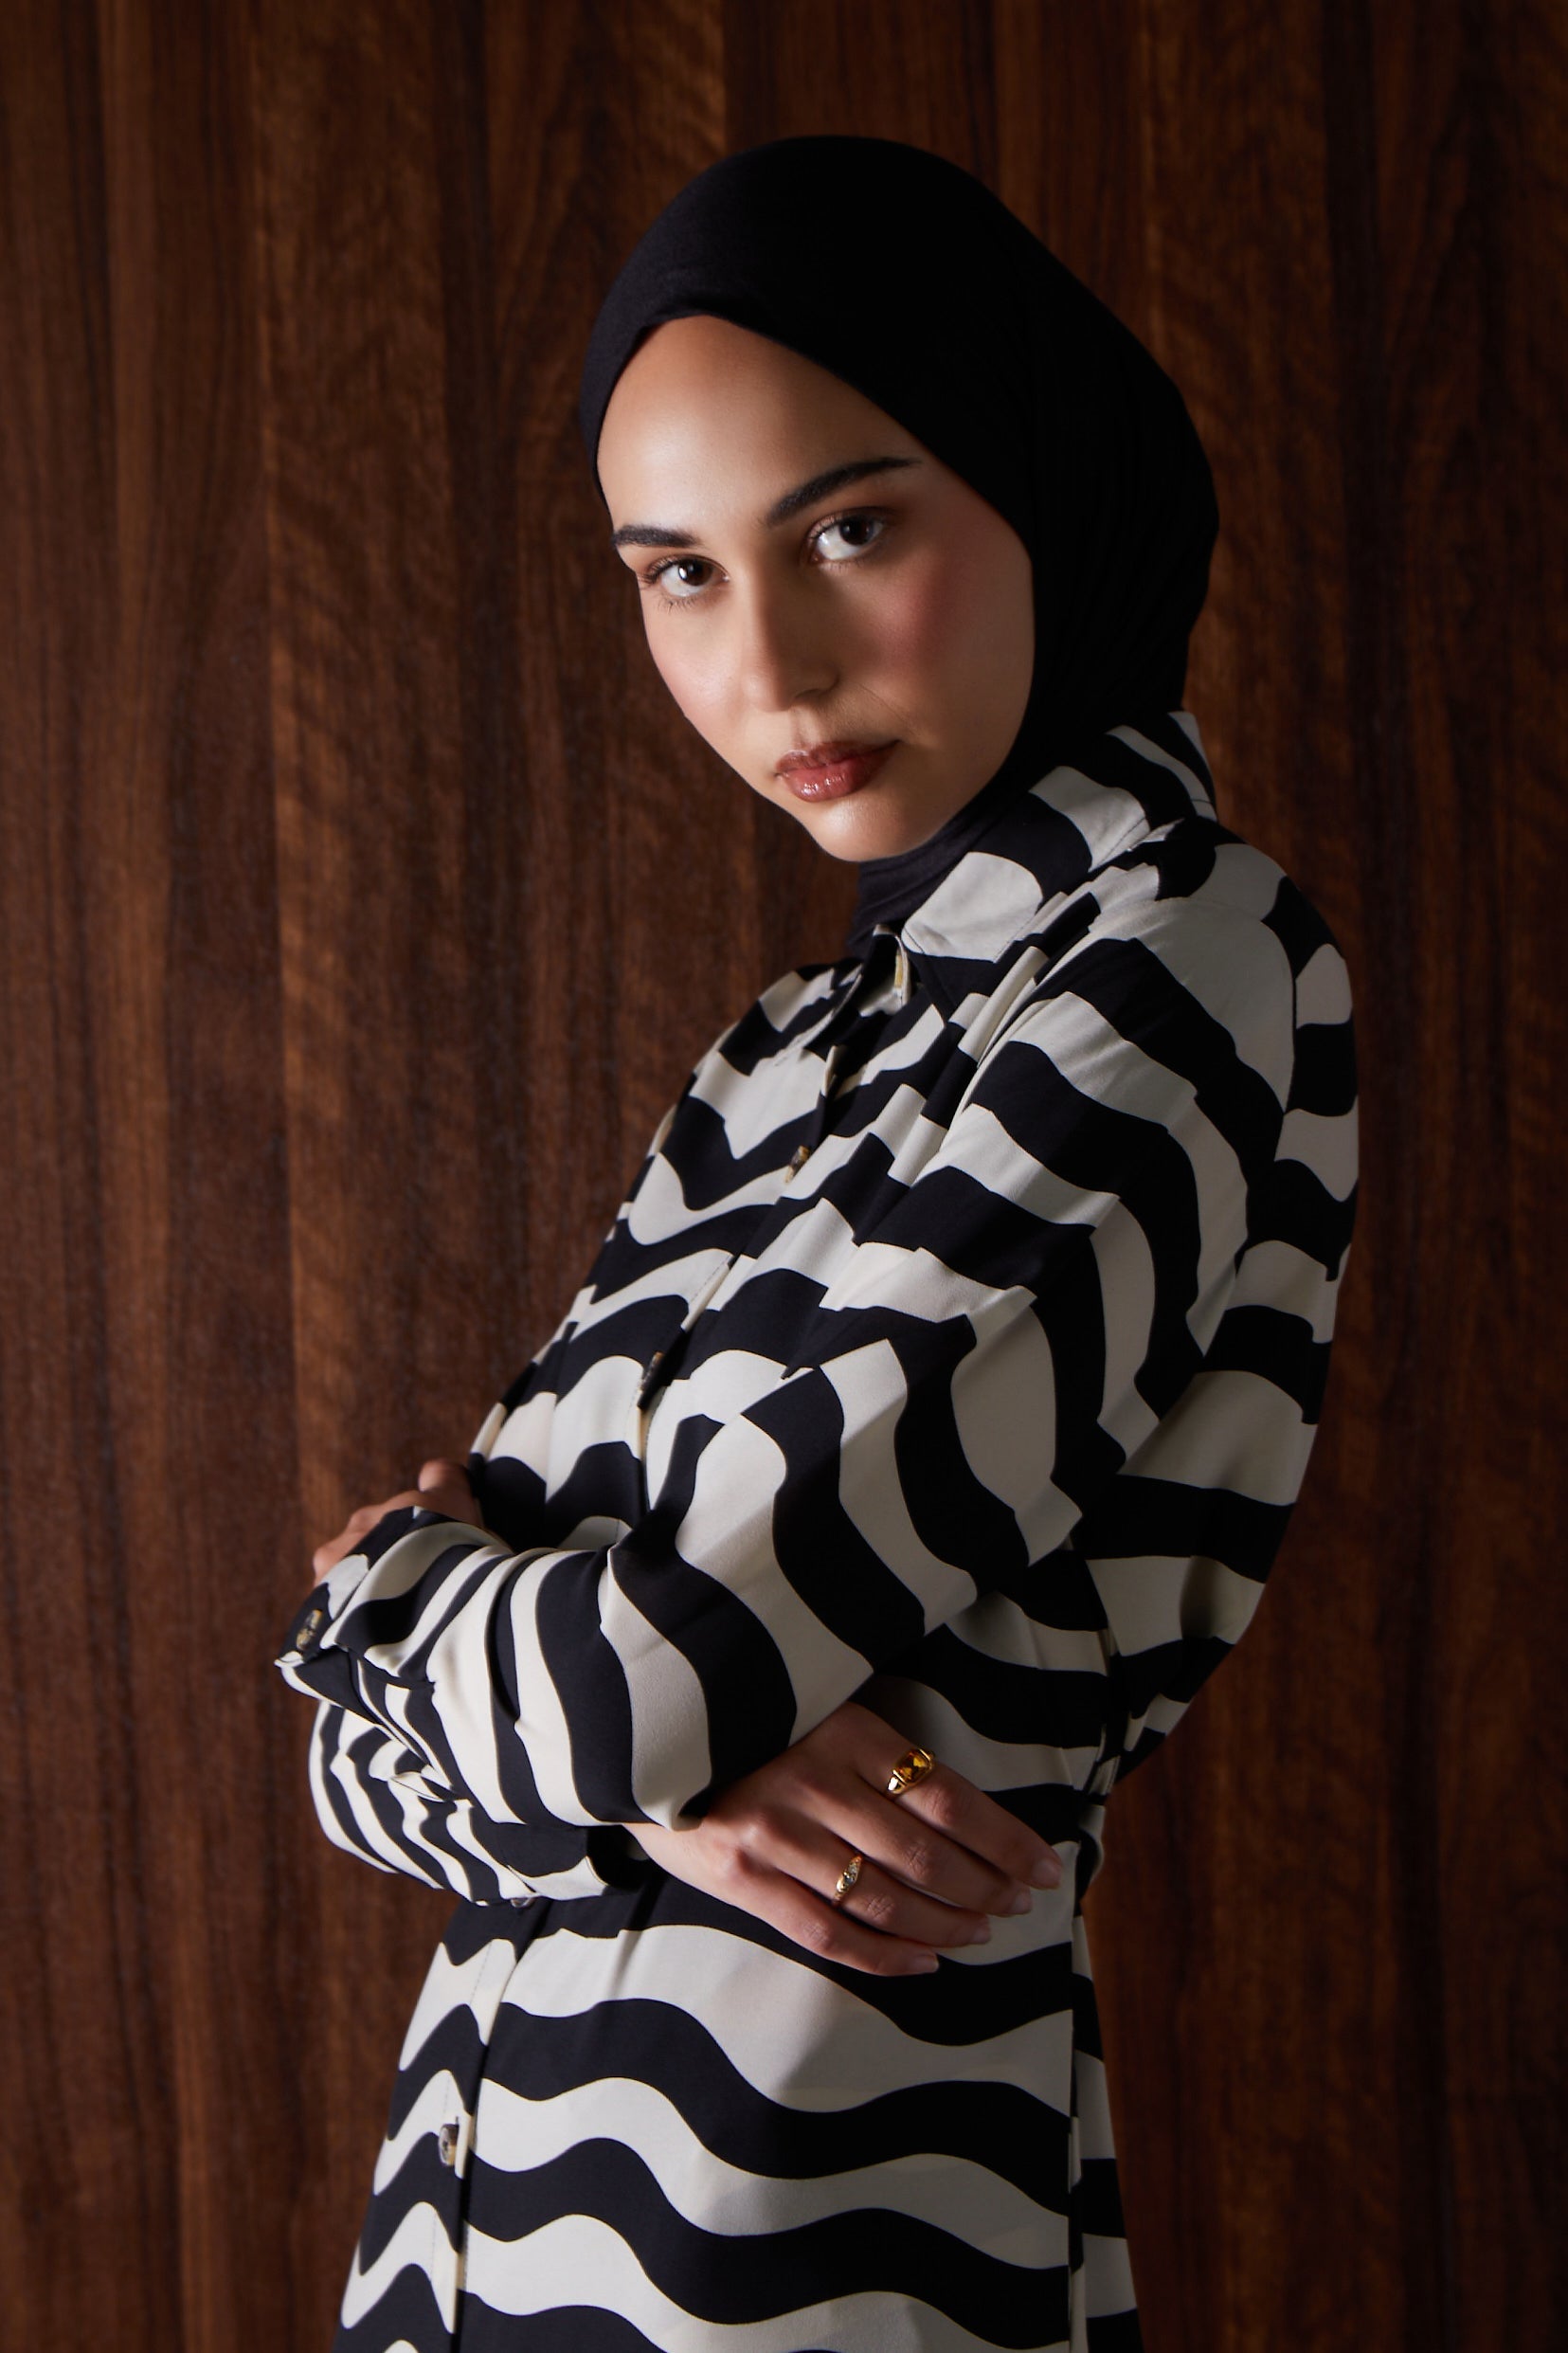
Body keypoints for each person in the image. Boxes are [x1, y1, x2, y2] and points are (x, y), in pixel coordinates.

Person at [276, 136, 1359, 2353]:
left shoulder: (1183, 954)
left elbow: (635, 1688)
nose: (766, 668)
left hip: (810, 2243)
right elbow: (373, 1777)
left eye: (850, 529)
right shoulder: (774, 1058)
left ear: (1036, 481)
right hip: (474, 2239)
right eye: (675, 572)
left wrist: (386, 1590)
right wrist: (631, 1786)